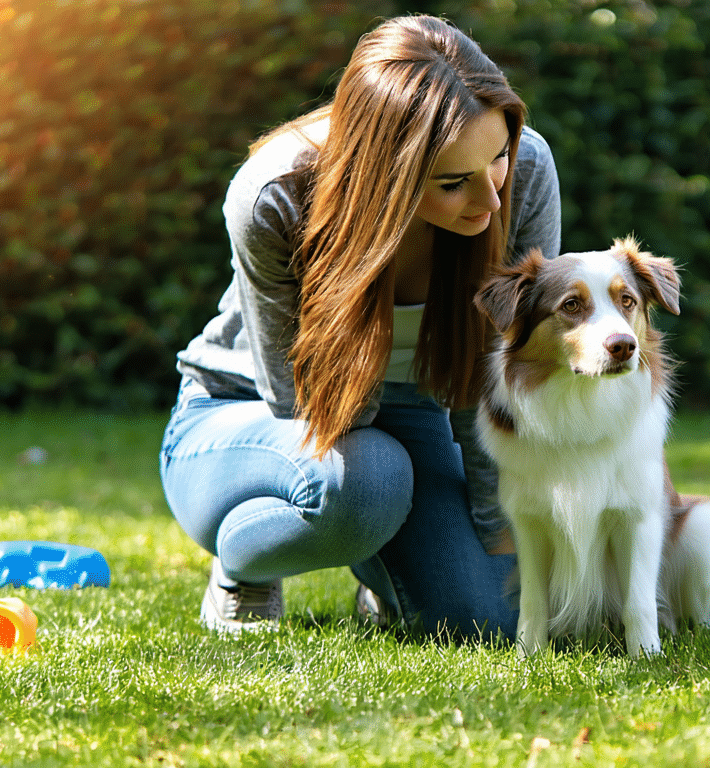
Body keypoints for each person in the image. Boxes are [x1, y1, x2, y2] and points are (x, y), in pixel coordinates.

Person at [158, 14, 561, 638]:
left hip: (411, 417)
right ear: (387, 177)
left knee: (488, 619)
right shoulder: (276, 194)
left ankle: (388, 585)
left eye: (498, 159)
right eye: (453, 183)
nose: (489, 201)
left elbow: (497, 374)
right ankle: (243, 565)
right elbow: (296, 396)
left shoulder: (527, 171)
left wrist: (495, 523)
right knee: (368, 483)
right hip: (255, 418)